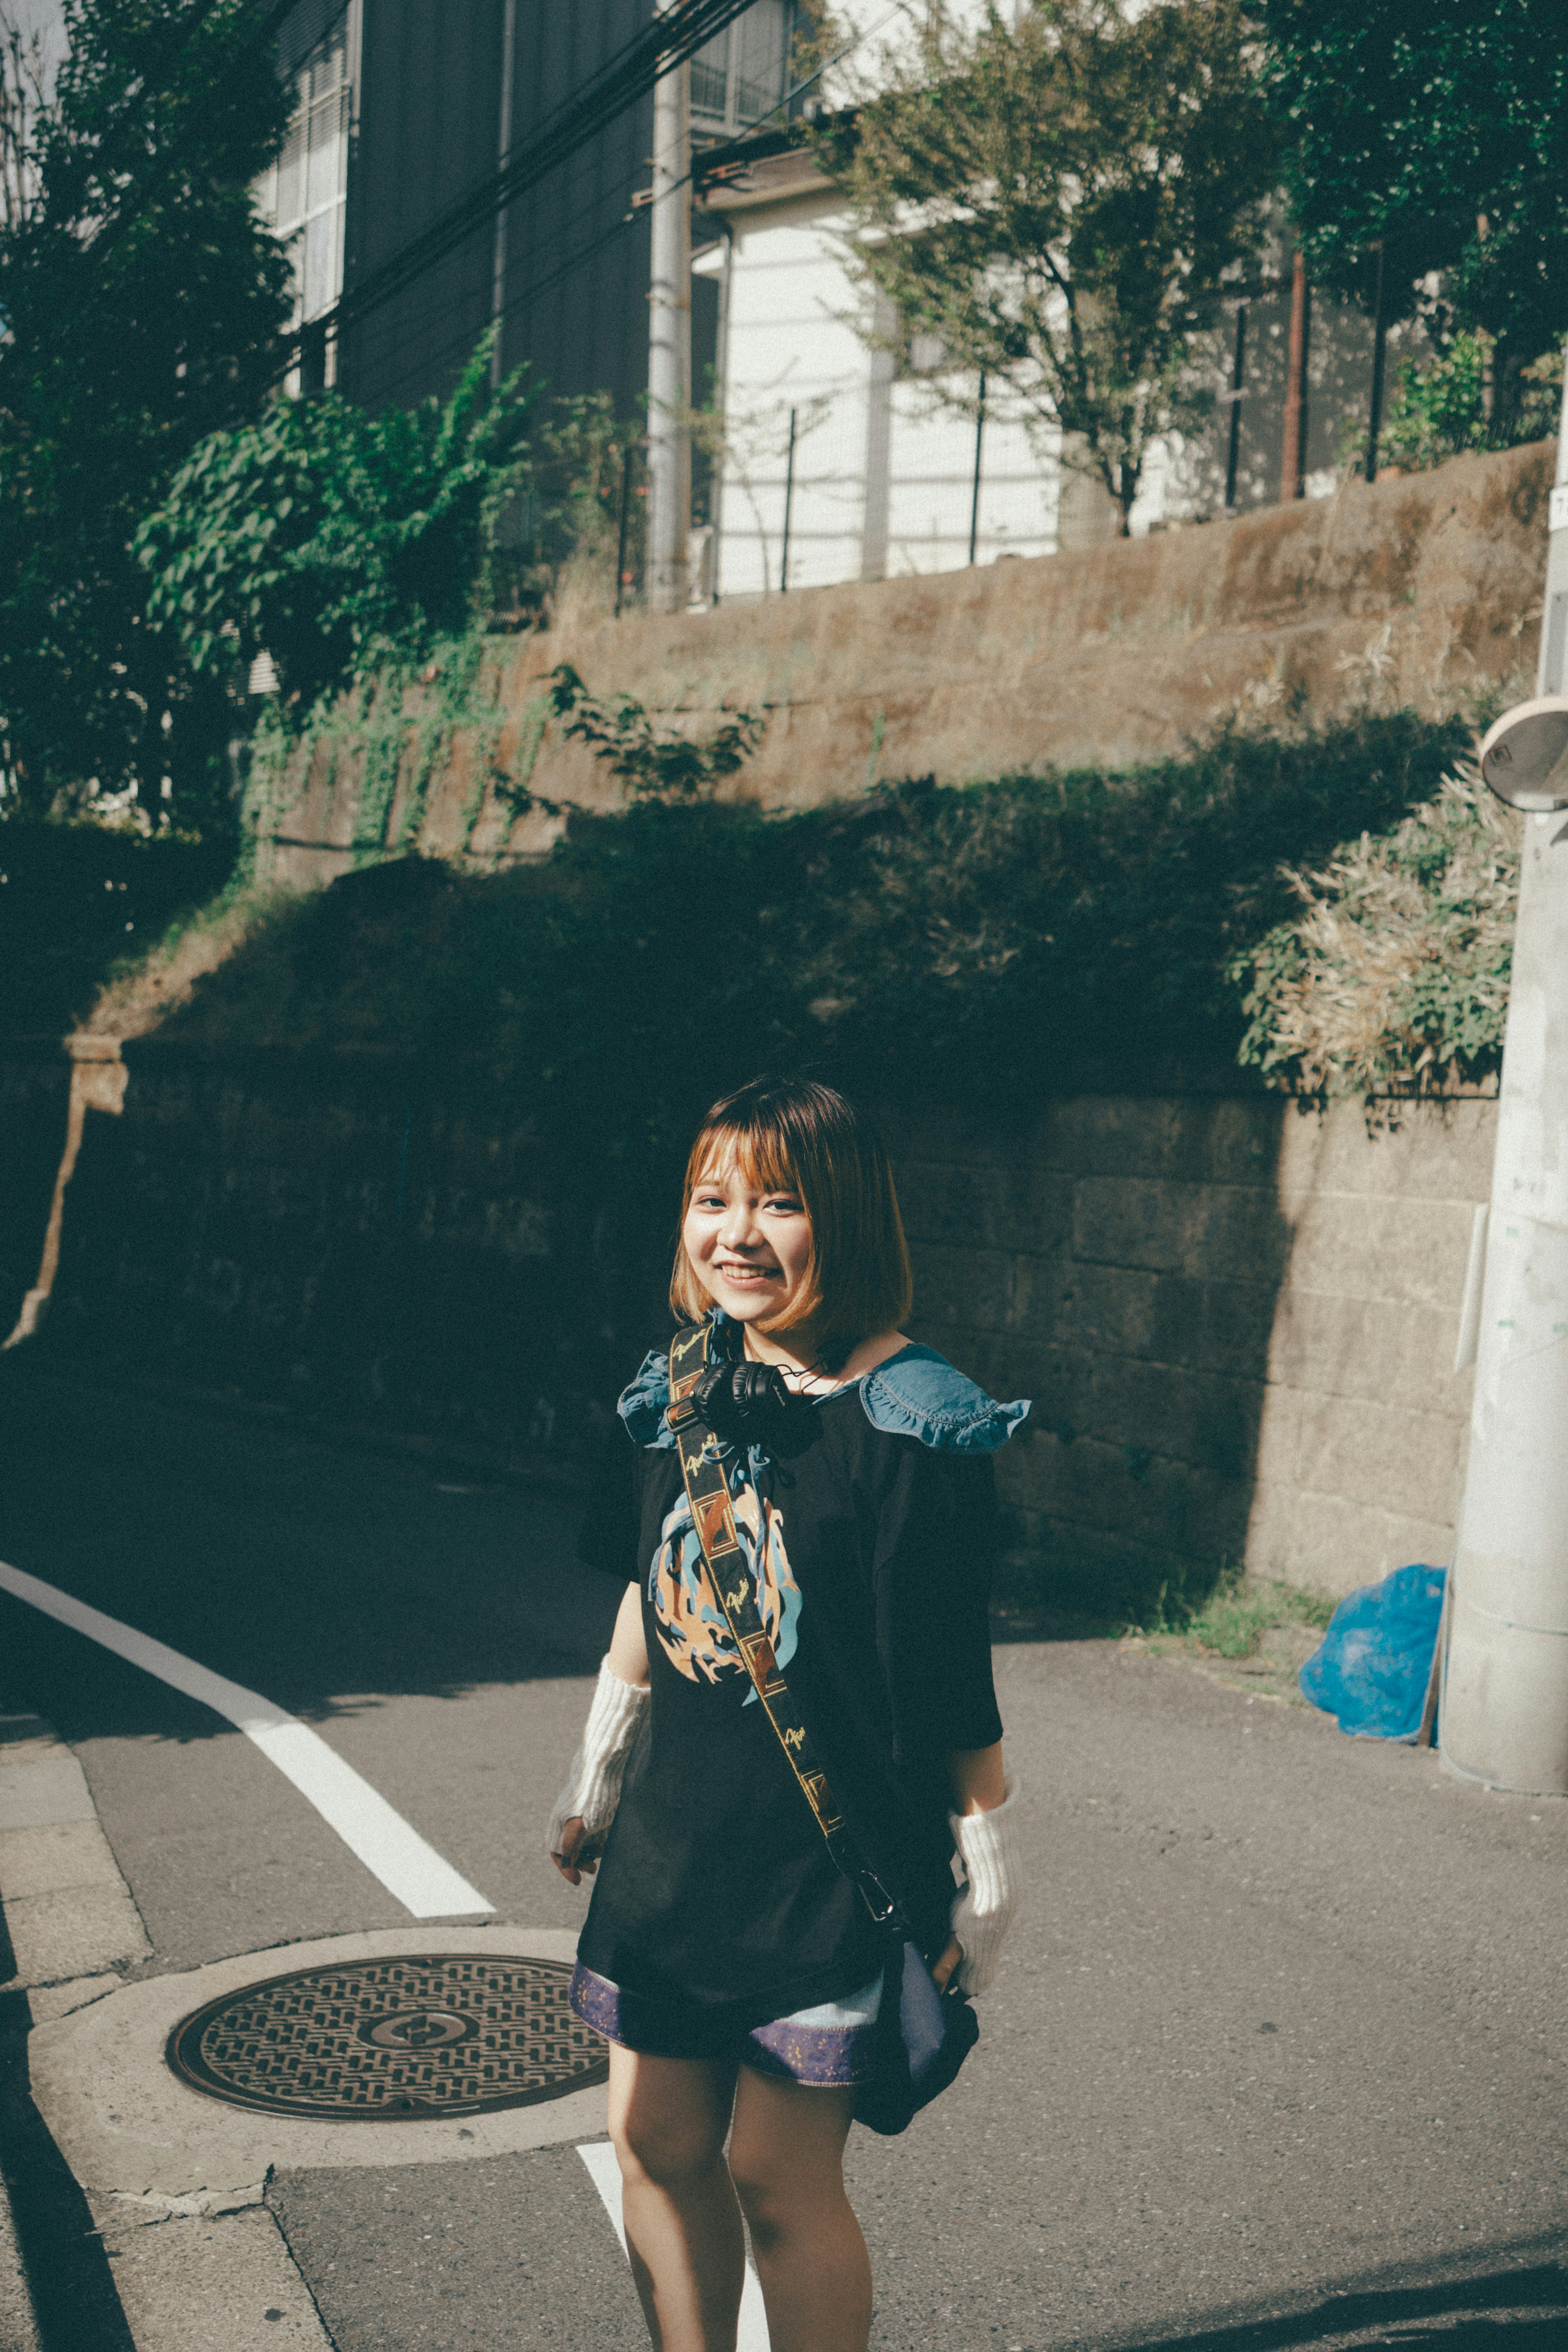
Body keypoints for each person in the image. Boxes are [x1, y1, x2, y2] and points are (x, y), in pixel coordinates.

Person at [548, 1075, 1025, 2352]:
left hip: (831, 1865)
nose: (737, 1234)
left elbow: (944, 1675)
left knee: (776, 2173)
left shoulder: (914, 1423)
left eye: (780, 1204)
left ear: (849, 1221)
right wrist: (597, 1775)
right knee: (648, 2137)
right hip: (673, 1851)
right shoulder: (677, 1387)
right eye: (713, 1200)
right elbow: (650, 1606)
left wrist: (985, 1864)